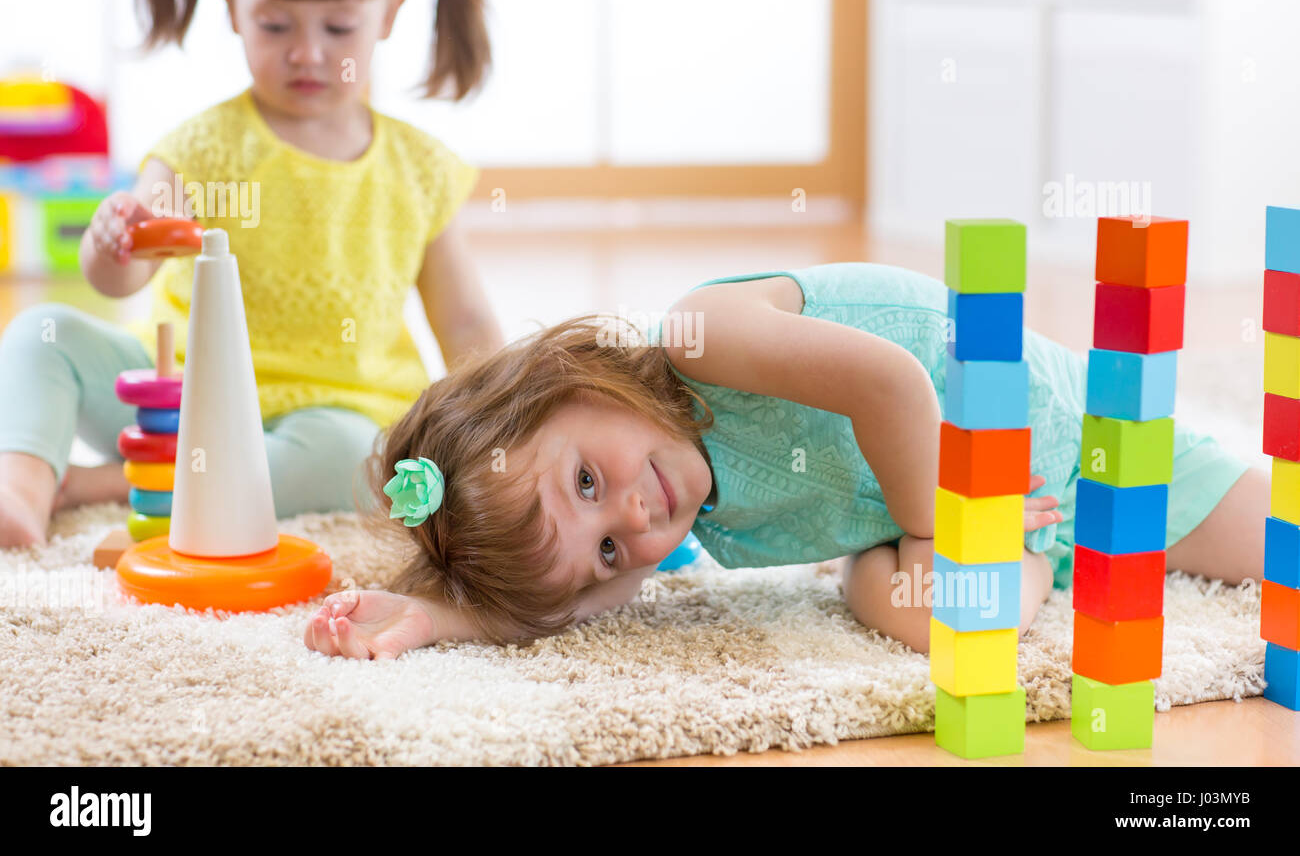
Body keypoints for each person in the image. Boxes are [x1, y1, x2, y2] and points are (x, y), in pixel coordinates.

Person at [302, 263, 1267, 658]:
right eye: (605, 549)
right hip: (961, 517)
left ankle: (1016, 550)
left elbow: (892, 387)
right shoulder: (698, 524)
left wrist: (949, 523)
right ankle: (1032, 566)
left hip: (1048, 424)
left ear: (570, 380)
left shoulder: (699, 338)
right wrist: (439, 617)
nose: (633, 524)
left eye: (587, 482)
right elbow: (567, 606)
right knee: (920, 614)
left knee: (1275, 539)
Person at [0, 0, 502, 547]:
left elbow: (464, 322)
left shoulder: (421, 168)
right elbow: (120, 277)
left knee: (357, 458)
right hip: (183, 403)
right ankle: (23, 483)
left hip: (337, 413)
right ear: (233, 6)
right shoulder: (199, 148)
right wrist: (112, 239)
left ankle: (111, 483)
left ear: (389, 14)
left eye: (339, 28)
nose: (307, 54)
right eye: (275, 24)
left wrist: (500, 420)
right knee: (43, 334)